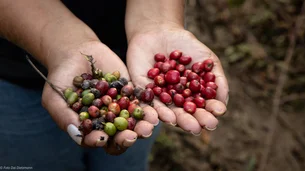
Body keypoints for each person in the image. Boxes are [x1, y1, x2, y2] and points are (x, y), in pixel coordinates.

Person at [0, 0, 229, 170]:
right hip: (15, 72)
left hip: (136, 57)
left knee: (126, 160)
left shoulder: (138, 92)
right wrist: (63, 44)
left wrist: (158, 19)